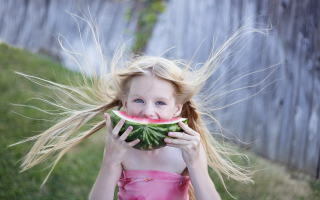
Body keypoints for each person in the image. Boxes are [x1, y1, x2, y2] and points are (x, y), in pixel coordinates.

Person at [12, 22, 266, 199]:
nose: (147, 113)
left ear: (177, 109)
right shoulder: (122, 149)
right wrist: (110, 161)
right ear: (124, 103)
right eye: (139, 101)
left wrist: (196, 164)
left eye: (160, 103)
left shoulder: (184, 153)